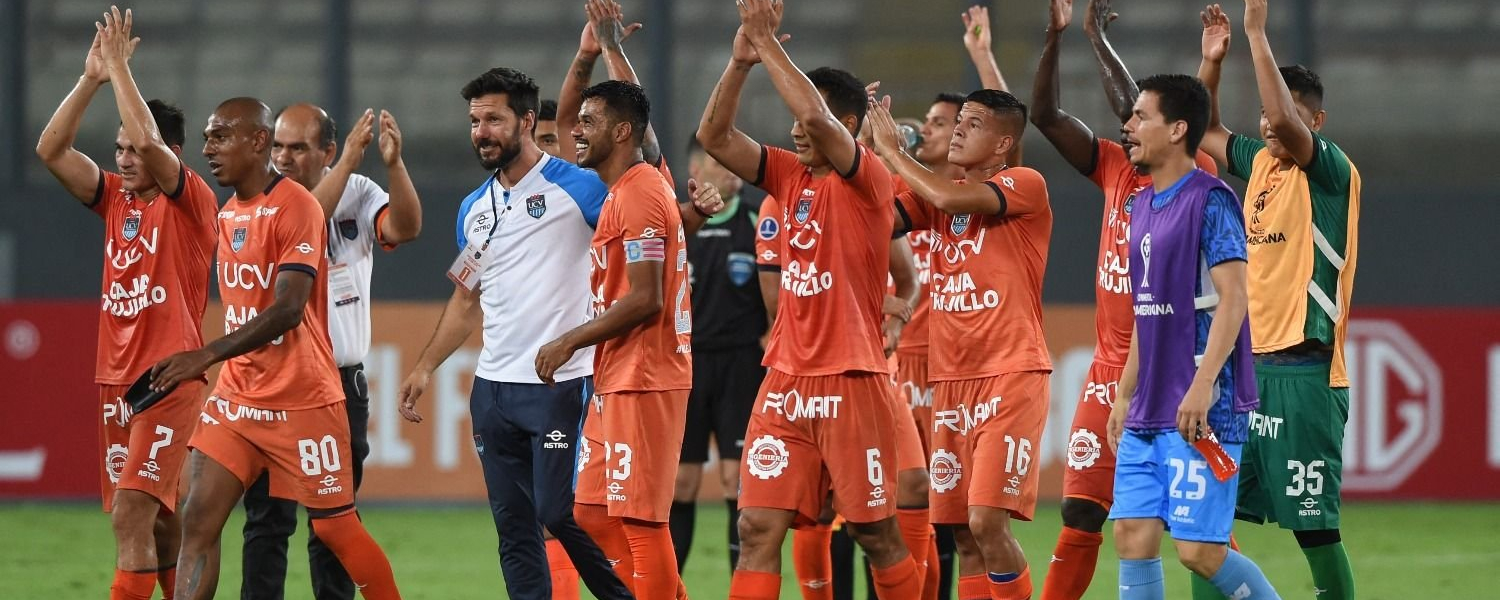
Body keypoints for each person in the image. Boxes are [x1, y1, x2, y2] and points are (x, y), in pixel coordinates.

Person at [696, 0, 924, 597]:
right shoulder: (787, 176)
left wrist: (769, 42)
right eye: (794, 118)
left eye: (810, 116)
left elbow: (818, 121)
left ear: (847, 124)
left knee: (876, 533)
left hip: (851, 379)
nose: (794, 127)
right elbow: (713, 137)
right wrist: (741, 60)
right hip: (785, 380)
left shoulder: (868, 177)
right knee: (756, 526)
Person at [146, 94, 401, 600]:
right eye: (205, 139)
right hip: (239, 397)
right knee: (198, 520)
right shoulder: (230, 213)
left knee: (334, 530)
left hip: (304, 397)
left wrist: (206, 353)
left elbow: (288, 309)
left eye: (220, 137)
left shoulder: (298, 206)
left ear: (257, 141)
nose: (209, 149)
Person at [394, 66, 633, 600]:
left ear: (526, 120)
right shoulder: (472, 210)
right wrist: (424, 366)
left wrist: (690, 214)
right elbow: (464, 299)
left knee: (558, 512)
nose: (481, 131)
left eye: (494, 119)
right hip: (492, 392)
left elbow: (641, 219)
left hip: (559, 386)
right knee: (514, 529)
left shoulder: (580, 188)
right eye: (475, 121)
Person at [1027, 0, 1219, 597]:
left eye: (1139, 119)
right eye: (1127, 119)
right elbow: (1044, 114)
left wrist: (1094, 38)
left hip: (1173, 367)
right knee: (1084, 512)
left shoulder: (1198, 180)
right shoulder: (1112, 168)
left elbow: (1141, 107)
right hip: (1113, 367)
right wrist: (1061, 38)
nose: (1127, 126)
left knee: (1195, 535)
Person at [34, 9, 216, 599]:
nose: (124, 157)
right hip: (113, 380)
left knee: (129, 516)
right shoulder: (114, 200)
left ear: (172, 153)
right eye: (117, 149)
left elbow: (146, 139)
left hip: (168, 376)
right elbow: (51, 149)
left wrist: (118, 71)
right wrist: (91, 78)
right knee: (160, 522)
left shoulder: (192, 202)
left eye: (134, 151)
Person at [1197, 2, 1361, 598]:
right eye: (1265, 116)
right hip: (1247, 373)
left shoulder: (1332, 172)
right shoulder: (1262, 162)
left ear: (1316, 118)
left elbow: (1284, 123)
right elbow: (1205, 130)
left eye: (1285, 114)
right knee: (1207, 530)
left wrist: (1256, 33)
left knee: (1314, 531)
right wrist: (1211, 64)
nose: (1269, 124)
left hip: (1305, 374)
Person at [871, 85, 1053, 600]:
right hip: (951, 381)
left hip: (1010, 375)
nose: (957, 131)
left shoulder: (1024, 184)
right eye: (958, 123)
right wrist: (856, 153)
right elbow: (877, 221)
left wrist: (892, 152)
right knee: (964, 533)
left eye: (972, 124)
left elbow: (948, 195)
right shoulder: (940, 194)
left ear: (1002, 144)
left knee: (987, 520)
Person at [1104, 72, 1281, 600]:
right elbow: (1147, 309)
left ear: (1178, 129)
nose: (1129, 126)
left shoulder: (1211, 199)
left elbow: (1234, 297)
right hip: (1149, 405)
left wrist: (1202, 385)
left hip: (1204, 403)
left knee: (1199, 552)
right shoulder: (1139, 207)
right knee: (1131, 535)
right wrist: (1125, 391)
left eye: (1141, 117)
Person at [237, 103, 422, 600]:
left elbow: (404, 228)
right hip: (275, 382)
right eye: (278, 146)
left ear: (327, 151)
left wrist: (394, 164)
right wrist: (349, 164)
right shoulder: (264, 197)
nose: (283, 157)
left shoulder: (360, 192)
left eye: (297, 148)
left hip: (338, 386)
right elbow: (308, 218)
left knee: (334, 521)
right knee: (268, 521)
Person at [534, 78, 694, 600]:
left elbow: (646, 297)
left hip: (647, 377)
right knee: (590, 512)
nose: (576, 132)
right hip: (618, 375)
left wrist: (569, 341)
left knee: (642, 523)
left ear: (622, 131)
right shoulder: (623, 191)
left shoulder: (644, 193)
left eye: (589, 122)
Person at [671, 137, 769, 575]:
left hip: (741, 366)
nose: (731, 169)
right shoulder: (676, 221)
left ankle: (741, 586)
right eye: (718, 161)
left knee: (736, 482)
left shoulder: (757, 219)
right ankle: (665, 586)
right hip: (686, 366)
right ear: (696, 167)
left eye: (734, 162)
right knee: (680, 484)